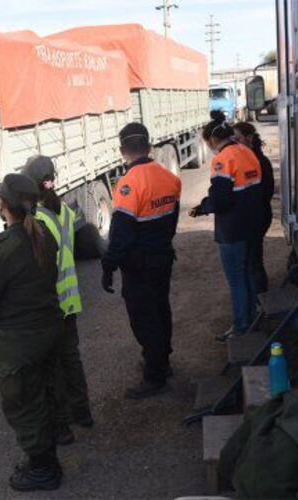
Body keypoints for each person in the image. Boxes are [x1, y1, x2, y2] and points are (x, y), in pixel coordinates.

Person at [0, 173, 63, 491]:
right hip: (47, 330)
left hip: (17, 342)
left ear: (3, 204)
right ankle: (48, 458)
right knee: (44, 394)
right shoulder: (44, 233)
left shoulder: (0, 246)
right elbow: (37, 281)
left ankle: (44, 470)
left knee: (22, 403)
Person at [101, 122, 182, 400]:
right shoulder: (169, 177)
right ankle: (162, 361)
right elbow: (171, 221)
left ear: (123, 151)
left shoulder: (128, 184)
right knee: (161, 310)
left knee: (144, 319)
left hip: (139, 266)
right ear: (149, 147)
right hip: (162, 258)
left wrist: (108, 266)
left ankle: (154, 375)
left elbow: (120, 236)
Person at [22, 155, 94, 446]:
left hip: (51, 303)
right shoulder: (63, 210)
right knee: (71, 360)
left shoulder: (36, 220)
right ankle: (83, 413)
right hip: (70, 299)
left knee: (53, 369)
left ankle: (62, 426)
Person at [189, 111, 263, 340]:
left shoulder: (222, 159)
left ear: (212, 140)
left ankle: (241, 328)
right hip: (252, 225)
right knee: (247, 275)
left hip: (232, 230)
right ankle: (251, 320)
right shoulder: (247, 152)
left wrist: (204, 206)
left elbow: (221, 200)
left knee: (236, 279)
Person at [232, 122, 275, 294]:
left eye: (237, 139)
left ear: (249, 138)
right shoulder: (248, 159)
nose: (234, 143)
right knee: (252, 258)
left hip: (257, 216)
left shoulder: (259, 161)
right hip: (254, 216)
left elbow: (265, 193)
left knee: (253, 260)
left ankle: (259, 297)